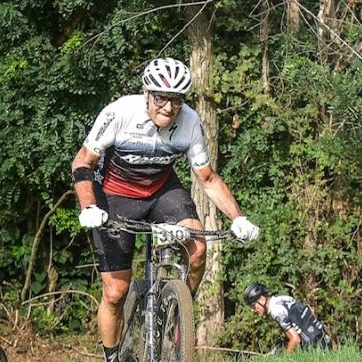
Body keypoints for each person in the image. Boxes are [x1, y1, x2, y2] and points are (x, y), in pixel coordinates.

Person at [70, 57, 261, 362]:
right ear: (146, 93)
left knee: (197, 248)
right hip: (115, 194)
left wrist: (238, 218)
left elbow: (207, 178)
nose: (169, 108)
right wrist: (88, 205)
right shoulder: (119, 112)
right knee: (115, 292)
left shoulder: (190, 121)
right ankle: (112, 357)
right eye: (161, 98)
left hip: (160, 190)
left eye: (177, 100)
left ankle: (177, 311)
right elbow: (83, 161)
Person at [243, 283, 332, 354]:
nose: (252, 310)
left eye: (253, 306)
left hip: (314, 347)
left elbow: (295, 339)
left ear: (262, 299)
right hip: (322, 337)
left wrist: (286, 358)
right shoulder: (283, 298)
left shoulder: (276, 311)